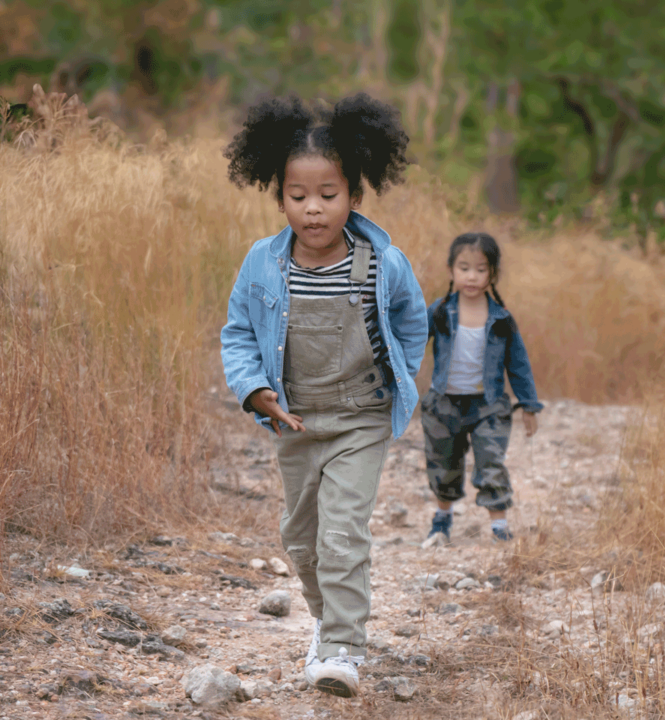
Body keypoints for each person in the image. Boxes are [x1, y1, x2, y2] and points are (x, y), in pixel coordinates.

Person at [220, 92, 427, 698]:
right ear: (279, 197)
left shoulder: (383, 263)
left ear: (354, 196)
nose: (313, 209)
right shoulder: (263, 264)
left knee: (342, 534)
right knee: (301, 540)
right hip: (296, 420)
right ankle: (325, 620)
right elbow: (238, 332)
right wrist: (254, 388)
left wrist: (398, 378)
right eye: (298, 195)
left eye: (328, 195)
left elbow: (411, 322)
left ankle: (342, 648)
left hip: (361, 418)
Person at [420, 232, 542, 548]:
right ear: (451, 270)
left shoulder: (501, 318)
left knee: (491, 462)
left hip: (489, 406)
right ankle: (442, 519)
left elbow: (518, 363)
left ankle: (499, 528)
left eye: (481, 269)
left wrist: (529, 405)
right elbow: (412, 343)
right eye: (464, 268)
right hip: (443, 404)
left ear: (492, 273)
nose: (472, 276)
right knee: (443, 464)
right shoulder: (439, 311)